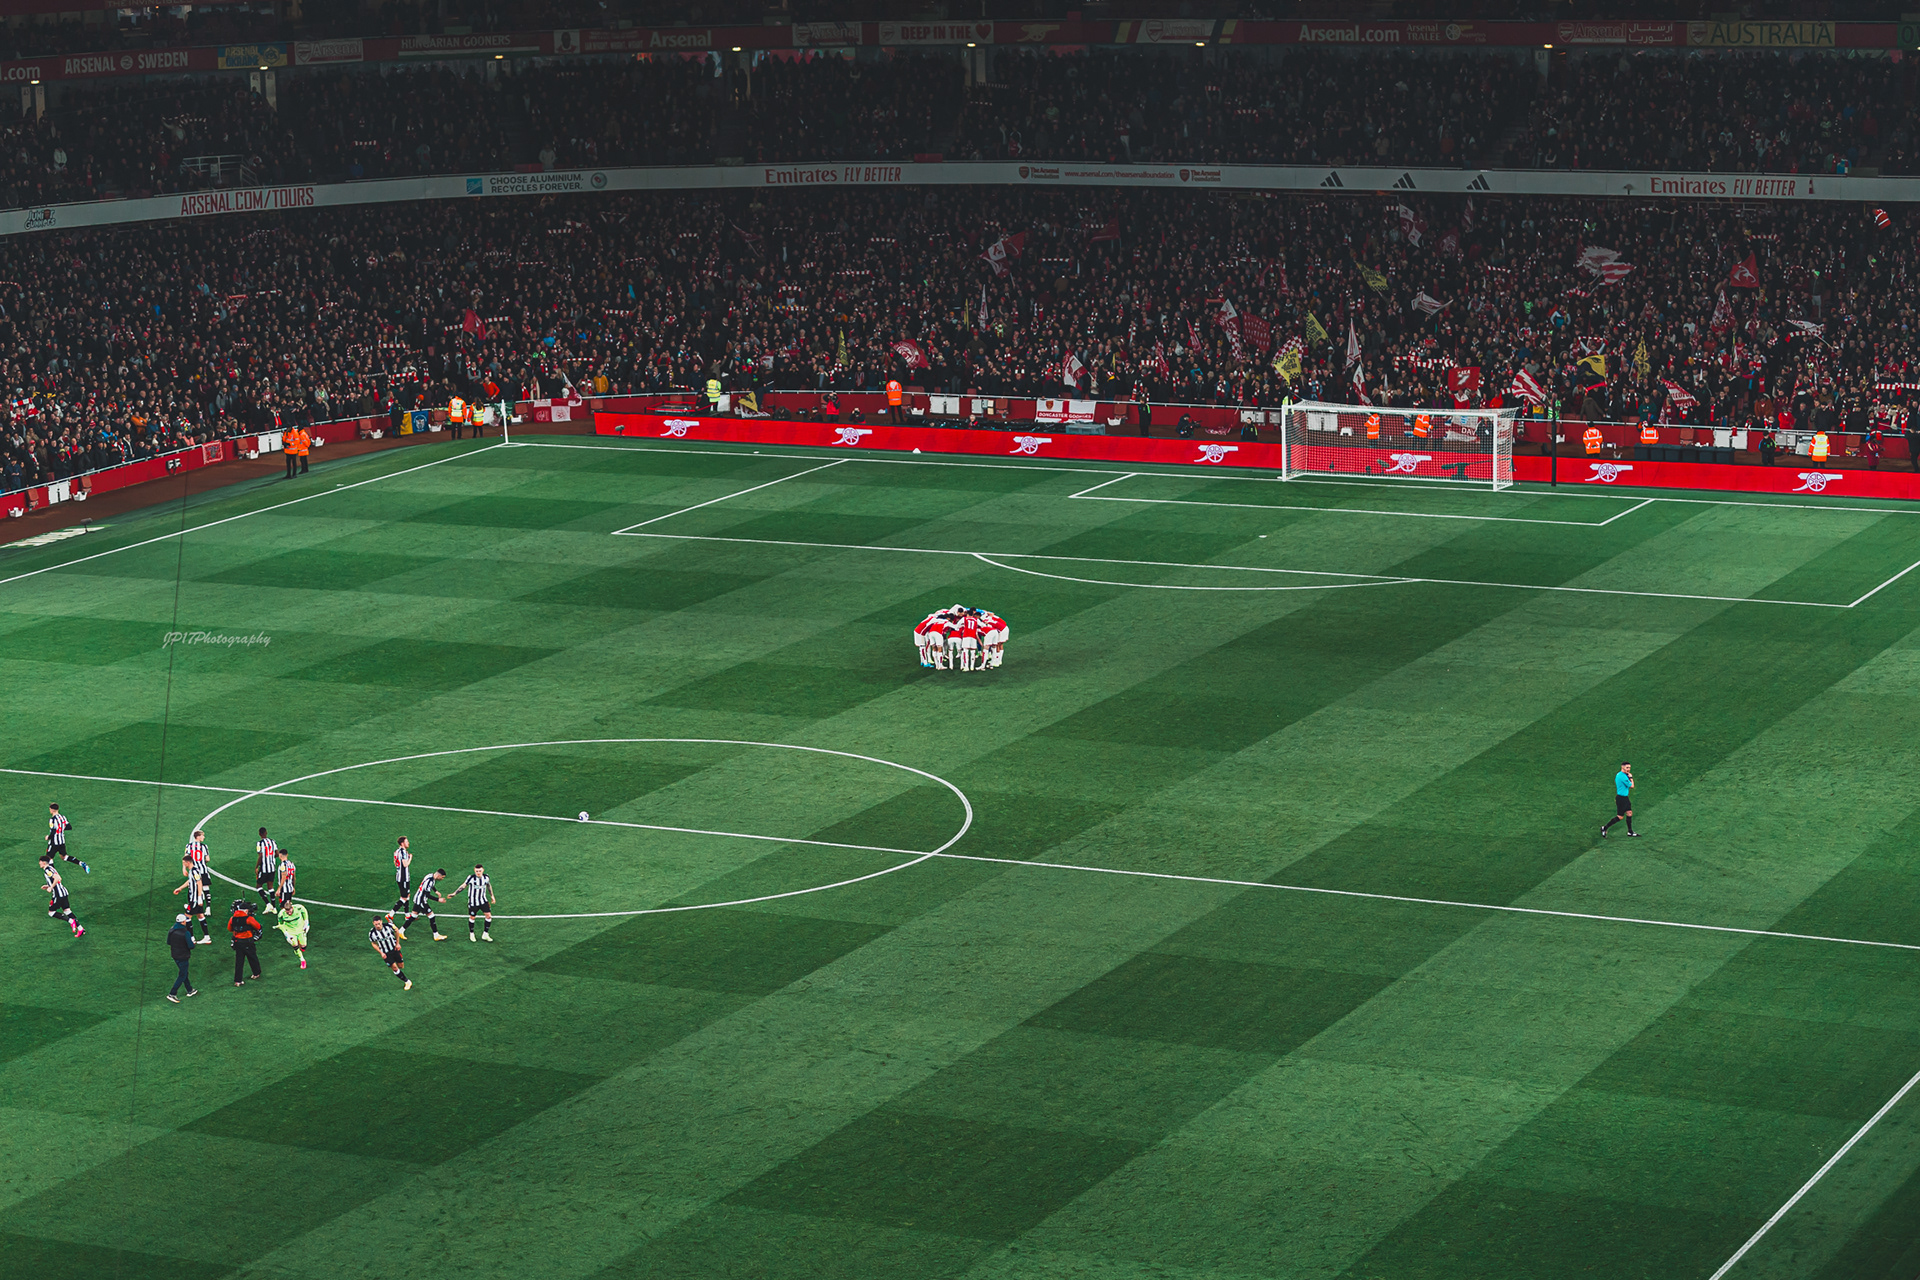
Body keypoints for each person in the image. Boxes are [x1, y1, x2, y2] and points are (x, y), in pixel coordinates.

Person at [40, 855, 85, 939]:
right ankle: (80, 929)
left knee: (51, 912)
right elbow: (59, 879)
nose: (39, 863)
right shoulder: (51, 868)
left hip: (58, 895)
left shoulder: (47, 870)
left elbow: (57, 878)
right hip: (64, 892)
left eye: (40, 862)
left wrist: (51, 887)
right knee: (67, 911)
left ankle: (71, 921)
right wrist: (48, 885)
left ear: (43, 862)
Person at [400, 869, 450, 941]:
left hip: (418, 899)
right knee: (431, 916)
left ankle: (401, 931)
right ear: (439, 875)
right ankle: (436, 935)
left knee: (413, 916)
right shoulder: (430, 881)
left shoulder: (430, 875)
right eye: (442, 877)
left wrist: (436, 891)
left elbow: (430, 886)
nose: (442, 879)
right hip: (421, 901)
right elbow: (427, 894)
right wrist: (438, 899)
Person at [171, 864, 216, 942]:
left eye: (184, 863)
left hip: (194, 900)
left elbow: (199, 883)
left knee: (187, 917)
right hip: (195, 899)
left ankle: (191, 938)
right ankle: (206, 937)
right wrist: (180, 888)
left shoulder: (194, 871)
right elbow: (190, 881)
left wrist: (199, 897)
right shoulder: (192, 871)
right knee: (200, 915)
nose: (183, 864)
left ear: (187, 863)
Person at [369, 913, 411, 989]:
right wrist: (381, 952)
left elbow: (397, 931)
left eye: (379, 924)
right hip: (385, 953)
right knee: (394, 968)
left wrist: (397, 943)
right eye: (376, 924)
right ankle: (407, 981)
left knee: (401, 966)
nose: (378, 926)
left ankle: (402, 975)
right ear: (373, 924)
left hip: (394, 949)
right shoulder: (372, 933)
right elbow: (373, 943)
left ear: (381, 922)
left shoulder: (389, 926)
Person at [229, 899, 264, 985]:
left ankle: (238, 981)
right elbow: (258, 926)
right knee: (252, 958)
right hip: (248, 942)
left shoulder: (232, 918)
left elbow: (229, 928)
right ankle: (256, 973)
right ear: (246, 910)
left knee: (239, 961)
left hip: (237, 942)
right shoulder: (249, 919)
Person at [46, 803, 88, 872]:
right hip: (62, 841)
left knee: (48, 858)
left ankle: (54, 874)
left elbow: (53, 831)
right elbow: (69, 827)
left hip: (54, 842)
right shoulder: (63, 817)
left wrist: (48, 837)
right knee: (64, 857)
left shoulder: (52, 820)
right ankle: (81, 863)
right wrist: (61, 829)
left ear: (52, 810)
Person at [1600, 761, 1638, 837]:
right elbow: (1632, 786)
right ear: (1622, 767)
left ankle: (1630, 832)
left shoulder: (1620, 775)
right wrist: (1631, 777)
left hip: (1625, 798)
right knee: (1620, 817)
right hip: (1621, 799)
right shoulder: (1622, 776)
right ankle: (1604, 828)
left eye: (1629, 768)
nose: (1628, 769)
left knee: (1629, 813)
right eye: (1627, 767)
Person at [166, 913, 199, 1002]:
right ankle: (172, 993)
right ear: (183, 922)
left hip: (174, 955)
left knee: (184, 972)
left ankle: (189, 990)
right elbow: (191, 946)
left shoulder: (171, 930)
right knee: (182, 974)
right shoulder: (185, 933)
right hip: (183, 956)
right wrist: (193, 943)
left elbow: (168, 942)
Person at [460, 864, 495, 942]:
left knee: (488, 916)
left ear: (483, 870)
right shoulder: (471, 878)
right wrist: (454, 893)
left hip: (483, 900)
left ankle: (485, 934)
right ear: (474, 871)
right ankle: (472, 934)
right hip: (473, 902)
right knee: (472, 917)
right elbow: (463, 886)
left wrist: (492, 896)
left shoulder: (486, 877)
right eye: (476, 871)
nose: (478, 872)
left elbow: (488, 886)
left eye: (479, 871)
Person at [274, 899, 311, 970]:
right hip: (291, 932)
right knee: (295, 945)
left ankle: (301, 944)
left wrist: (306, 922)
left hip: (300, 929)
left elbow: (304, 912)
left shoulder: (299, 908)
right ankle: (302, 960)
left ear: (292, 907)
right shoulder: (281, 914)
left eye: (290, 911)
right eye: (287, 911)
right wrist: (286, 934)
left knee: (303, 946)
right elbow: (280, 925)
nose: (289, 913)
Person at [255, 827, 280, 910]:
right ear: (266, 832)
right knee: (270, 887)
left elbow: (260, 856)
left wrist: (256, 867)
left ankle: (268, 904)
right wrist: (271, 857)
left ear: (259, 834)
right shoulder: (273, 841)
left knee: (259, 886)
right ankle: (274, 907)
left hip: (264, 868)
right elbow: (277, 854)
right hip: (272, 868)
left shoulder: (259, 843)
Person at [392, 836, 412, 903]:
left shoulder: (396, 851)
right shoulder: (403, 852)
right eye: (406, 842)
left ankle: (406, 910)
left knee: (407, 895)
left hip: (400, 876)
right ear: (402, 843)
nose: (408, 843)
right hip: (403, 878)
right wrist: (410, 858)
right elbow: (405, 864)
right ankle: (394, 910)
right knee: (404, 897)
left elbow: (395, 862)